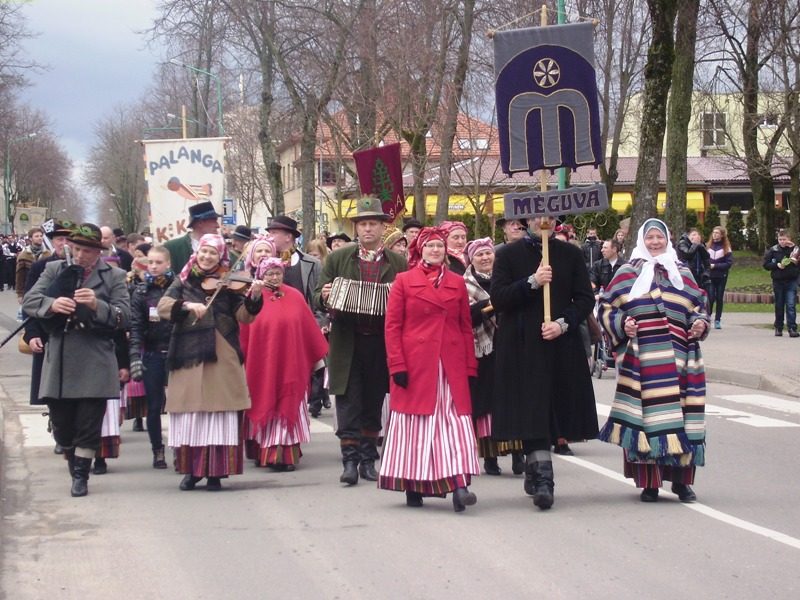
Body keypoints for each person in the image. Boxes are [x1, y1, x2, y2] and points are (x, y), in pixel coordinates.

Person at [597, 218, 708, 503]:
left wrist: (698, 323)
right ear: (641, 240)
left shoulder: (681, 271)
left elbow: (698, 305)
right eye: (650, 238)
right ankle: (650, 483)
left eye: (659, 237)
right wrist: (623, 324)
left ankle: (682, 482)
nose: (655, 242)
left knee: (681, 419)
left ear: (667, 239)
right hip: (643, 359)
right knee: (647, 420)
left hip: (679, 357)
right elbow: (606, 307)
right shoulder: (627, 271)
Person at [490, 216, 598, 510]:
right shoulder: (508, 255)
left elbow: (585, 298)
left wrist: (564, 323)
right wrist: (532, 283)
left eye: (550, 216)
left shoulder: (571, 254)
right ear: (528, 220)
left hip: (559, 344)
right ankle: (543, 479)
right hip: (521, 346)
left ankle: (536, 467)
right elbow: (498, 298)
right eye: (538, 216)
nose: (544, 221)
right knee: (531, 409)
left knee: (552, 408)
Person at [22, 223, 130, 497]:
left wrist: (96, 305)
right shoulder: (54, 269)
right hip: (60, 357)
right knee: (61, 427)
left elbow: (125, 316)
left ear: (99, 252)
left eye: (88, 251)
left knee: (89, 424)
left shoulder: (114, 275)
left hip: (96, 357)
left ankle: (81, 476)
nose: (81, 255)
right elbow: (30, 301)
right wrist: (52, 305)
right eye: (77, 249)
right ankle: (73, 462)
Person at [381, 227, 480, 511]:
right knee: (417, 427)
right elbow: (393, 327)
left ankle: (461, 486)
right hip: (416, 366)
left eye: (440, 246)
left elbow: (464, 327)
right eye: (430, 246)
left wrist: (470, 366)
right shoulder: (403, 281)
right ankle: (413, 483)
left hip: (450, 366)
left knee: (456, 425)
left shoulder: (456, 282)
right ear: (419, 250)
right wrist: (397, 364)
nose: (436, 250)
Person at [157, 234, 264, 491]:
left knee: (219, 414)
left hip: (222, 353)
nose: (207, 257)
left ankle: (216, 472)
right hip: (188, 353)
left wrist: (255, 297)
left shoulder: (229, 283)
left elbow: (245, 316)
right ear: (197, 252)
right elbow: (163, 306)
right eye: (204, 252)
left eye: (213, 253)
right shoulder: (182, 280)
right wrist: (187, 306)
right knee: (192, 414)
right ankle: (192, 471)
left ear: (221, 257)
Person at [314, 195, 407, 485]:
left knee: (373, 399)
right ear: (356, 228)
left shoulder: (398, 262)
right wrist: (325, 295)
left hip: (380, 341)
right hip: (346, 339)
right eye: (363, 224)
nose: (368, 229)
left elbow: (407, 301)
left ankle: (368, 460)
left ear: (383, 228)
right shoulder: (338, 258)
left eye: (373, 224)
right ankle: (350, 462)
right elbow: (317, 295)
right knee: (348, 400)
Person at [240, 257, 328, 471]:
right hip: (263, 365)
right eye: (269, 273)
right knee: (265, 399)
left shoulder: (295, 296)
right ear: (261, 274)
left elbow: (307, 328)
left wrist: (317, 358)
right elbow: (245, 330)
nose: (274, 277)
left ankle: (284, 454)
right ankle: (265, 451)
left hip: (292, 363)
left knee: (289, 401)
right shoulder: (253, 298)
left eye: (278, 273)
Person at [462, 237, 523, 476]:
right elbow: (468, 314)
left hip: (508, 344)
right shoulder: (465, 284)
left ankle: (518, 454)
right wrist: (493, 304)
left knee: (512, 400)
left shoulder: (504, 278)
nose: (485, 258)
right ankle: (490, 457)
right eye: (479, 255)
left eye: (488, 253)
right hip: (482, 348)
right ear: (471, 259)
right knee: (486, 404)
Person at [128, 246, 175, 468]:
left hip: (177, 352)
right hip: (153, 352)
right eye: (151, 263)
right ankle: (157, 449)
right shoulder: (140, 292)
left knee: (178, 405)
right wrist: (135, 356)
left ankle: (181, 448)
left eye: (158, 262)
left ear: (168, 264)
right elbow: (136, 327)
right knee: (154, 406)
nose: (154, 267)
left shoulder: (178, 288)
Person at [163, 201, 222, 273]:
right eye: (214, 221)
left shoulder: (221, 249)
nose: (218, 225)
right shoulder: (171, 248)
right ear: (200, 223)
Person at [763, 229, 799, 337]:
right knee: (779, 304)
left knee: (791, 304)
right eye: (780, 239)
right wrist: (777, 265)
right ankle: (778, 327)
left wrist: (794, 256)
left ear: (789, 239)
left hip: (791, 281)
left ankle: (792, 328)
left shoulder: (794, 249)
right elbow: (766, 265)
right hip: (778, 281)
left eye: (784, 239)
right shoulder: (773, 250)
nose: (782, 242)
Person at [706, 226, 733, 329]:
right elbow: (705, 260)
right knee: (711, 297)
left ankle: (717, 320)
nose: (715, 234)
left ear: (722, 235)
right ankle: (707, 318)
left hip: (721, 276)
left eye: (717, 233)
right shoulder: (708, 247)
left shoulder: (726, 248)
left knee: (719, 297)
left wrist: (715, 266)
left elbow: (728, 263)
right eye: (714, 232)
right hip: (710, 276)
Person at [15, 227, 51, 303]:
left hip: (45, 291)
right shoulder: (23, 255)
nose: (40, 238)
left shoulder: (48, 254)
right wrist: (20, 294)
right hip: (29, 290)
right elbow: (19, 276)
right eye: (36, 236)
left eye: (41, 236)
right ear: (31, 238)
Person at [677, 228, 711, 299]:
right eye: (693, 234)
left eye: (698, 235)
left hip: (699, 276)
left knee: (703, 298)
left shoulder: (700, 245)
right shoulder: (682, 243)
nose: (696, 237)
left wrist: (706, 272)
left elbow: (706, 258)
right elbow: (688, 254)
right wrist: (695, 244)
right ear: (688, 236)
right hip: (687, 275)